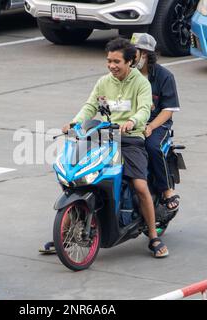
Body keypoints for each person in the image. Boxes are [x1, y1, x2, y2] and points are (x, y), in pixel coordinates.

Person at [40, 38, 168, 258]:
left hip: (130, 139)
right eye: (109, 61)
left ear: (130, 61)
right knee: (80, 178)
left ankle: (153, 236)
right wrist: (74, 123)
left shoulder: (141, 84)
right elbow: (90, 106)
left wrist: (132, 122)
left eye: (117, 61)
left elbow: (145, 110)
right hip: (104, 136)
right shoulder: (103, 82)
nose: (112, 66)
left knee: (139, 185)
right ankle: (64, 234)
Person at [131, 33, 181, 212]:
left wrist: (151, 126)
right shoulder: (127, 74)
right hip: (131, 122)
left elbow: (169, 110)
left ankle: (167, 190)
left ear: (144, 54)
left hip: (157, 124)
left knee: (152, 147)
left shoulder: (165, 76)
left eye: (134, 53)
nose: (130, 57)